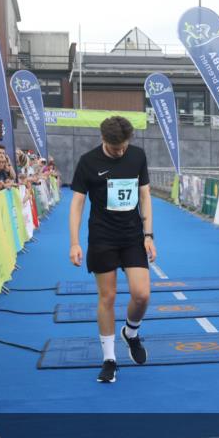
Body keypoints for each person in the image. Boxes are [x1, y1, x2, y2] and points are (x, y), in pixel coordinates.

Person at [69, 116, 156, 383]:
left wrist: (149, 234)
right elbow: (76, 205)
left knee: (142, 295)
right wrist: (74, 242)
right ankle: (109, 359)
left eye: (123, 147)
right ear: (103, 139)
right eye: (114, 147)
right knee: (107, 298)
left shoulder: (137, 156)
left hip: (131, 236)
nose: (119, 152)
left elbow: (144, 195)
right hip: (102, 237)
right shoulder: (88, 162)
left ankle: (130, 333)